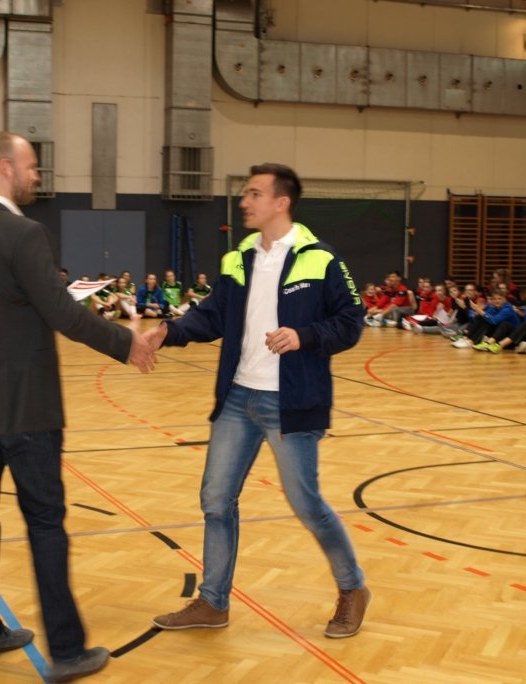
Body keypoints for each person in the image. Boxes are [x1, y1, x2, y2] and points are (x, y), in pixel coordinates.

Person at [0, 131, 154, 683]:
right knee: (45, 523)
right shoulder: (25, 233)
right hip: (27, 406)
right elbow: (64, 315)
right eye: (31, 167)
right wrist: (127, 344)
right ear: (5, 167)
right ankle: (67, 652)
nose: (36, 177)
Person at [145, 163, 371, 639]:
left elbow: (352, 320)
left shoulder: (320, 258)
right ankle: (213, 602)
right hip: (237, 398)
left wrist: (305, 335)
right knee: (216, 500)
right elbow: (212, 316)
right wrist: (168, 332)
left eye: (254, 194)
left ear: (280, 202)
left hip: (291, 402)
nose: (244, 202)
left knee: (306, 503)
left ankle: (353, 588)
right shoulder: (240, 257)